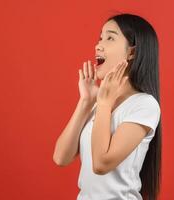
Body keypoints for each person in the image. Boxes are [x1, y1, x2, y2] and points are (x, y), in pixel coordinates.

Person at [53, 13, 162, 200]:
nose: (98, 45)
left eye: (110, 38)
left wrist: (103, 104)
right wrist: (86, 101)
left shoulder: (144, 105)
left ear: (132, 52)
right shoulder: (100, 103)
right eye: (100, 37)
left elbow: (101, 163)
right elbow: (61, 157)